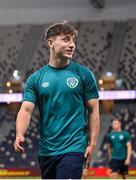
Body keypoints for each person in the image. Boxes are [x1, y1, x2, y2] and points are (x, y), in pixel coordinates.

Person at [14, 21, 100, 179]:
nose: (72, 44)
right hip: (47, 151)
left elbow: (94, 110)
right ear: (50, 43)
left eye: (73, 40)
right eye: (66, 39)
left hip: (74, 148)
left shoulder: (84, 75)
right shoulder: (36, 79)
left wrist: (92, 143)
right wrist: (20, 133)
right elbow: (25, 110)